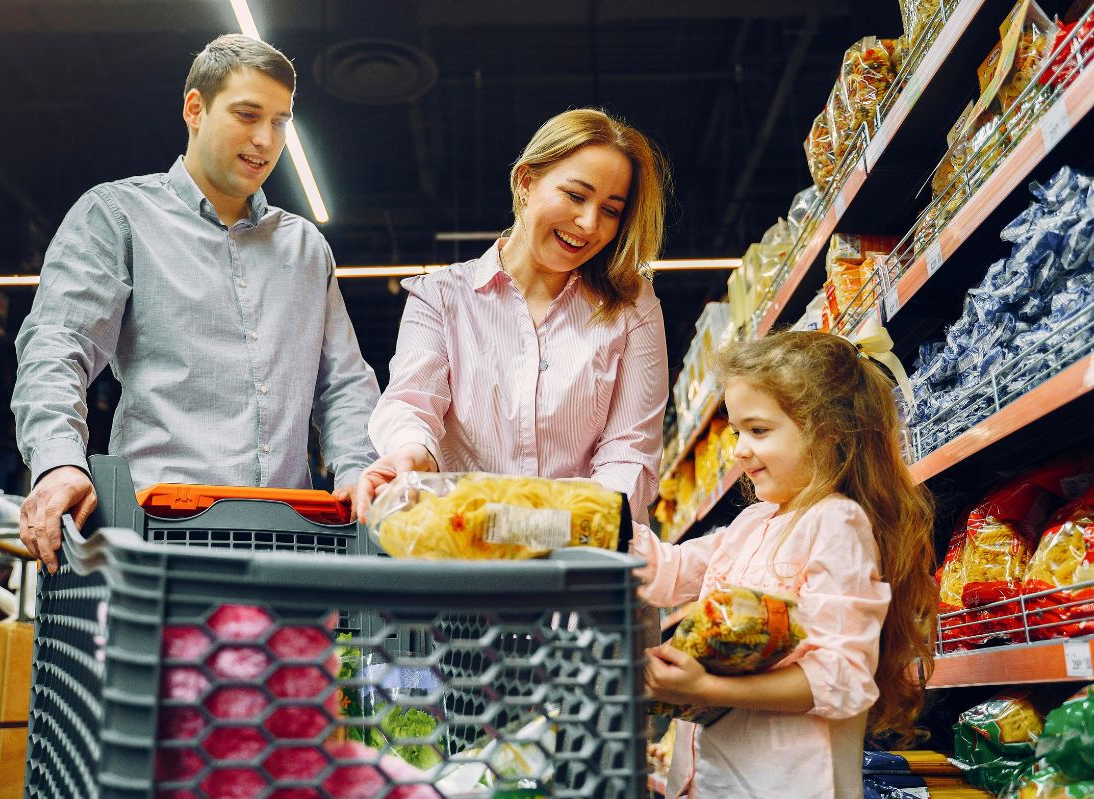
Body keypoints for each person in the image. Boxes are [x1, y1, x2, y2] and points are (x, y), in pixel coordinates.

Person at [12, 34, 380, 573]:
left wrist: (359, 472)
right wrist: (58, 462)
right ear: (195, 109)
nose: (265, 139)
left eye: (280, 121)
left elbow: (344, 383)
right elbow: (57, 346)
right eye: (247, 114)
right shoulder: (117, 216)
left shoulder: (305, 248)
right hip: (156, 542)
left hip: (290, 545)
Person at [632, 330, 937, 798]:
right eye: (737, 432)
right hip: (713, 782)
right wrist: (592, 516)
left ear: (830, 430)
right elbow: (668, 572)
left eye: (758, 431)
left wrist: (706, 690)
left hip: (787, 784)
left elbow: (840, 677)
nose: (739, 450)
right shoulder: (752, 523)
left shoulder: (837, 523)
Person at [355, 108, 670, 525]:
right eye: (576, 195)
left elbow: (630, 450)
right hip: (465, 548)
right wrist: (411, 453)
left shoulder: (632, 307)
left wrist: (561, 525)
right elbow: (412, 402)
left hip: (582, 559)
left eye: (611, 210)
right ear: (526, 181)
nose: (590, 223)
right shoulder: (441, 297)